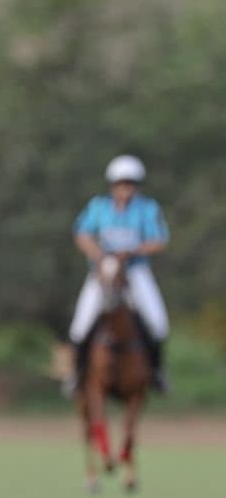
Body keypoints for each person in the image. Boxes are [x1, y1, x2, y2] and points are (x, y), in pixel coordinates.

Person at [63, 154, 170, 397]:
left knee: (159, 323)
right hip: (103, 271)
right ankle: (76, 374)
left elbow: (159, 240)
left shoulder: (147, 208)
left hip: (135, 270)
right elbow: (82, 234)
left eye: (130, 184)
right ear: (112, 185)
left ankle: (157, 372)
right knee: (80, 325)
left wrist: (133, 251)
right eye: (121, 183)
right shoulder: (98, 207)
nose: (125, 188)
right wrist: (99, 255)